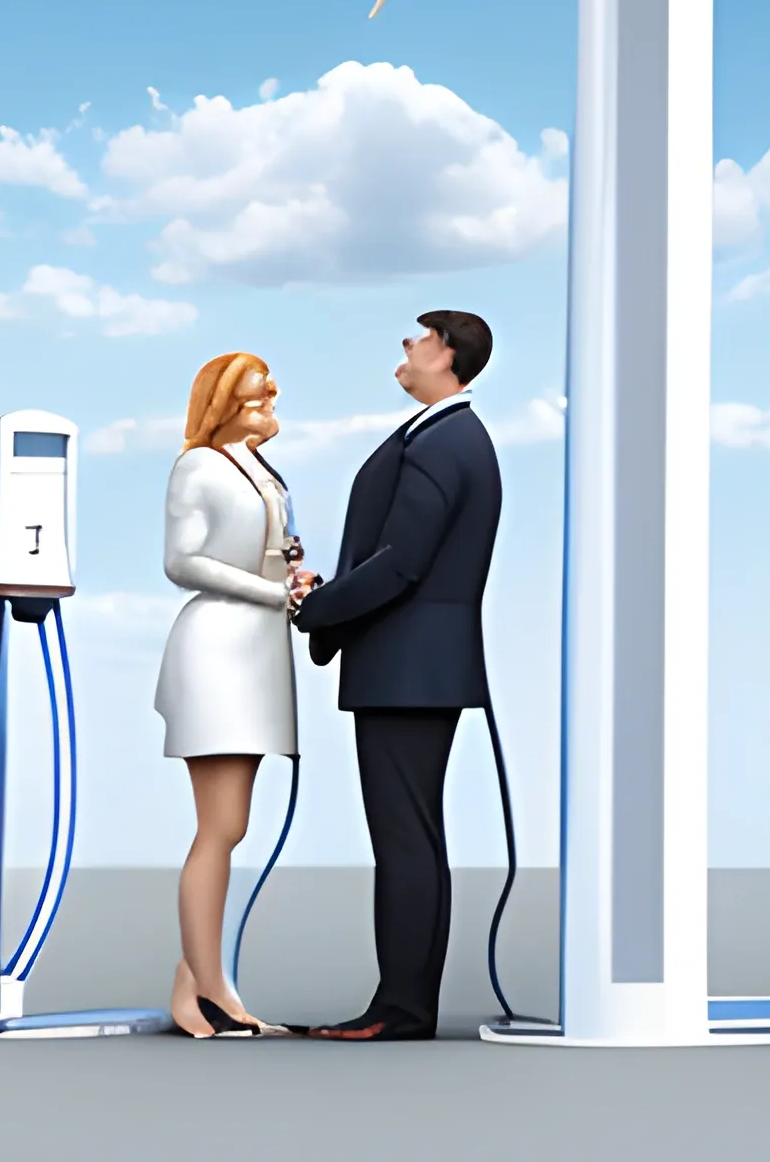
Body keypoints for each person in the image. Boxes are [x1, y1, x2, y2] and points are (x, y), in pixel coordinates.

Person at [291, 311, 502, 1042]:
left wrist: (319, 609)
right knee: (414, 837)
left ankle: (402, 1010)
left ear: (447, 355)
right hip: (414, 667)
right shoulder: (443, 436)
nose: (405, 350)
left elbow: (402, 562)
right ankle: (403, 1002)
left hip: (409, 668)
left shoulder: (446, 441)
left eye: (417, 340)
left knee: (405, 840)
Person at [154, 352, 311, 1037]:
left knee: (231, 826)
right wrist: (272, 591)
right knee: (219, 827)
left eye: (268, 396)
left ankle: (193, 989)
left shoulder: (261, 470)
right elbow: (181, 561)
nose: (267, 407)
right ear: (222, 406)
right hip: (219, 649)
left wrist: (293, 582)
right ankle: (216, 993)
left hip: (257, 650)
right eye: (252, 399)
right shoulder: (199, 466)